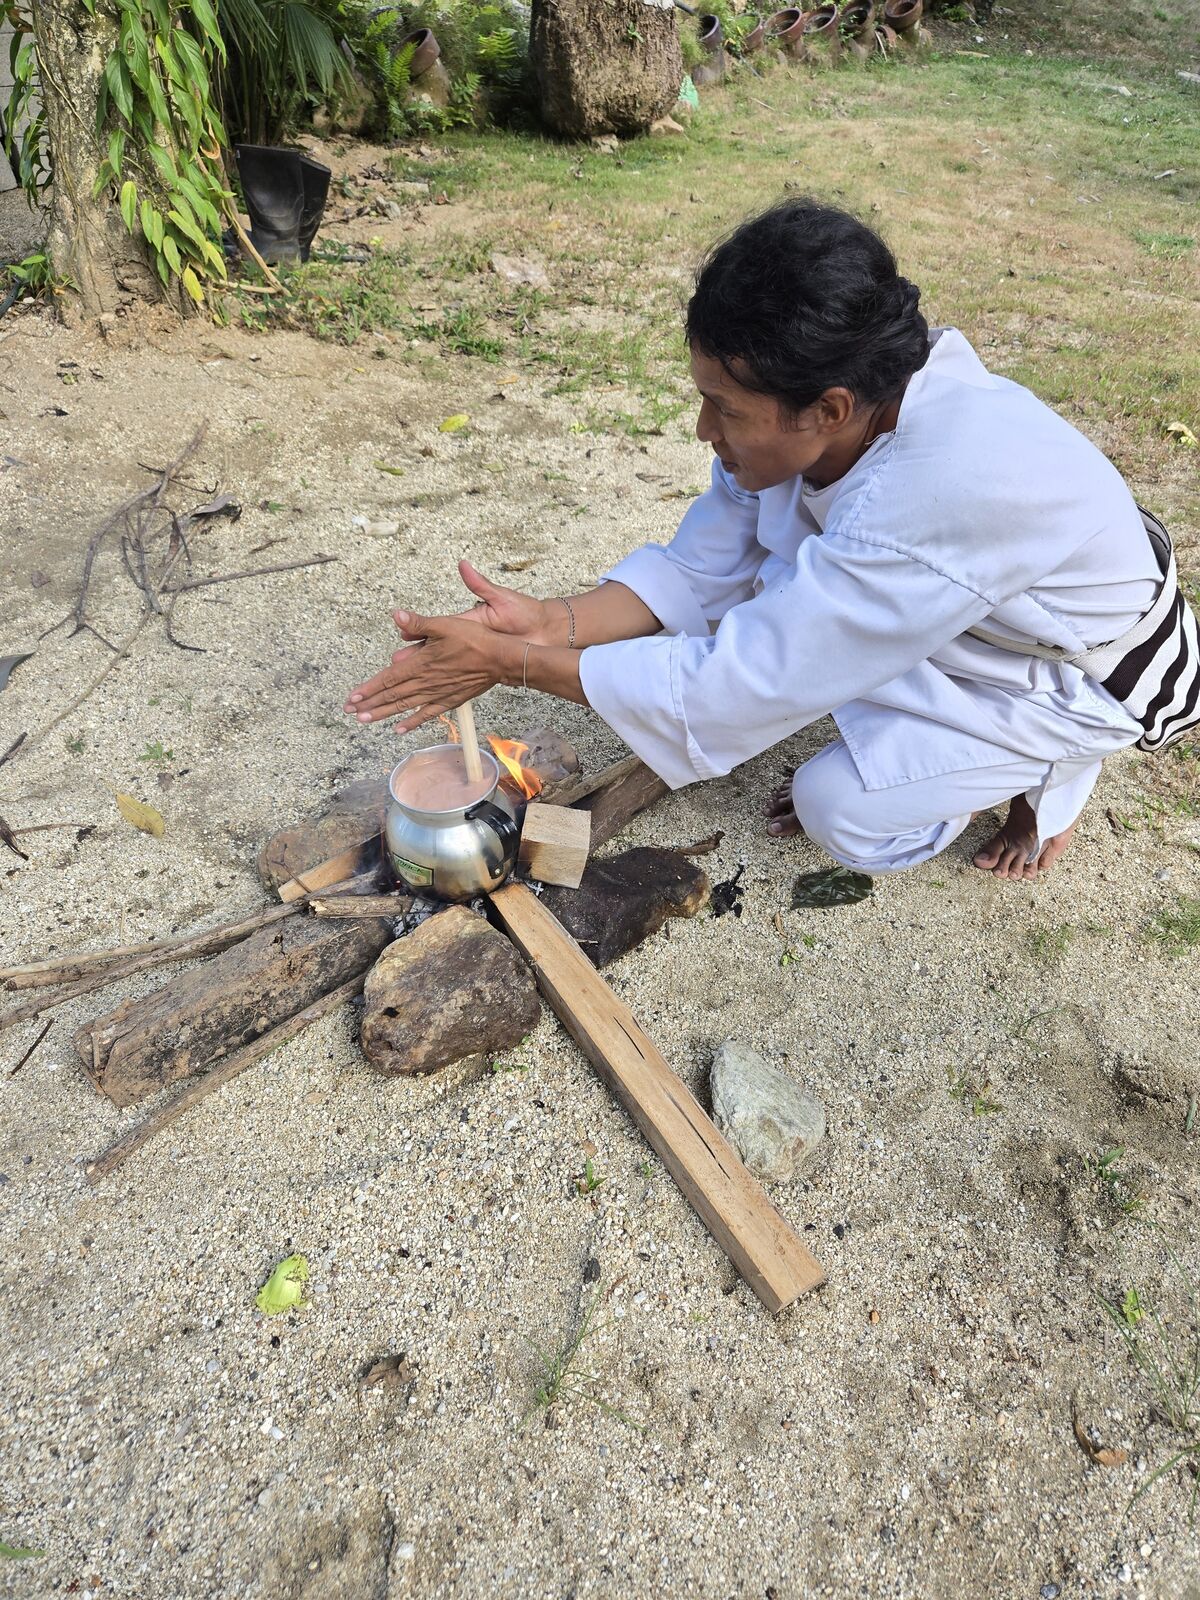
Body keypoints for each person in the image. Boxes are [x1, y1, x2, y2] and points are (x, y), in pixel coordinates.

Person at [345, 199, 1196, 882]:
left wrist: (509, 666)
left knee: (840, 806)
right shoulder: (845, 399)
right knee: (793, 610)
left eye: (727, 409)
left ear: (826, 407)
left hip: (1091, 670)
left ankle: (1038, 776)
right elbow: (701, 567)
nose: (704, 427)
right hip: (984, 615)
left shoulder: (944, 486)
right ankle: (959, 748)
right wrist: (544, 623)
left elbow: (738, 684)